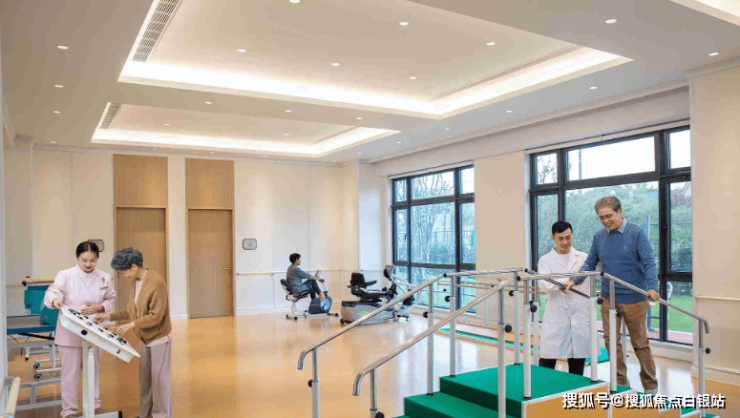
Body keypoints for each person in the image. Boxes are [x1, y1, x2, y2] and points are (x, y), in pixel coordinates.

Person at [565, 196, 660, 394]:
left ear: (620, 211)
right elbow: (590, 262)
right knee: (611, 341)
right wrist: (575, 280)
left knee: (639, 343)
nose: (605, 221)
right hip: (609, 298)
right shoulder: (599, 236)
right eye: (601, 217)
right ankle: (621, 383)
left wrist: (653, 287)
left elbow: (649, 262)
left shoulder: (636, 233)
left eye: (609, 216)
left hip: (635, 298)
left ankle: (650, 385)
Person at [95, 247, 173, 418]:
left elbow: (156, 316)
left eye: (123, 272)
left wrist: (131, 325)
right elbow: (132, 310)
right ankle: (145, 415)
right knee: (145, 381)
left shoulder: (156, 282)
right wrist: (109, 316)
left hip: (159, 338)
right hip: (144, 338)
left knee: (159, 382)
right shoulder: (134, 280)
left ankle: (162, 415)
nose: (123, 275)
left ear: (134, 266)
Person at [44, 241, 116, 418]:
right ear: (77, 258)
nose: (88, 264)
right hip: (70, 330)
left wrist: (100, 307)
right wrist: (55, 300)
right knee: (70, 374)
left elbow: (111, 299)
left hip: (94, 330)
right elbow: (53, 291)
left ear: (97, 258)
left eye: (92, 260)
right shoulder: (65, 275)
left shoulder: (104, 277)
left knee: (92, 371)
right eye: (84, 260)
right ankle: (69, 410)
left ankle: (94, 406)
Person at [537, 221, 590, 376]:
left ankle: (576, 389)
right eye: (561, 238)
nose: (565, 242)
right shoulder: (545, 260)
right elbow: (543, 284)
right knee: (547, 359)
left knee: (577, 360)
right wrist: (562, 283)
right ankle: (544, 389)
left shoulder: (583, 258)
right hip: (557, 315)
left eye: (568, 237)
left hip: (579, 314)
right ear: (553, 238)